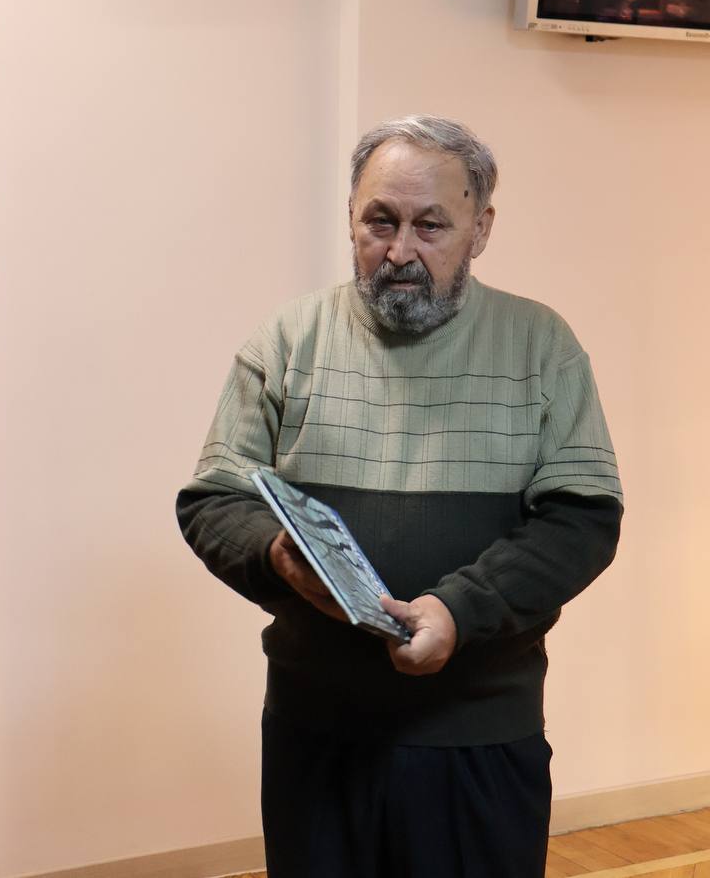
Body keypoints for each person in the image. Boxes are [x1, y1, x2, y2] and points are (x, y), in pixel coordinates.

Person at [176, 116, 622, 878]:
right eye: (379, 221)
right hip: (315, 733)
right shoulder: (287, 340)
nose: (400, 250)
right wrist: (277, 555)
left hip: (480, 734)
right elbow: (213, 501)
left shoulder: (542, 345)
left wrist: (459, 611)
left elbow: (582, 522)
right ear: (350, 218)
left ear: (481, 229)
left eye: (430, 226)